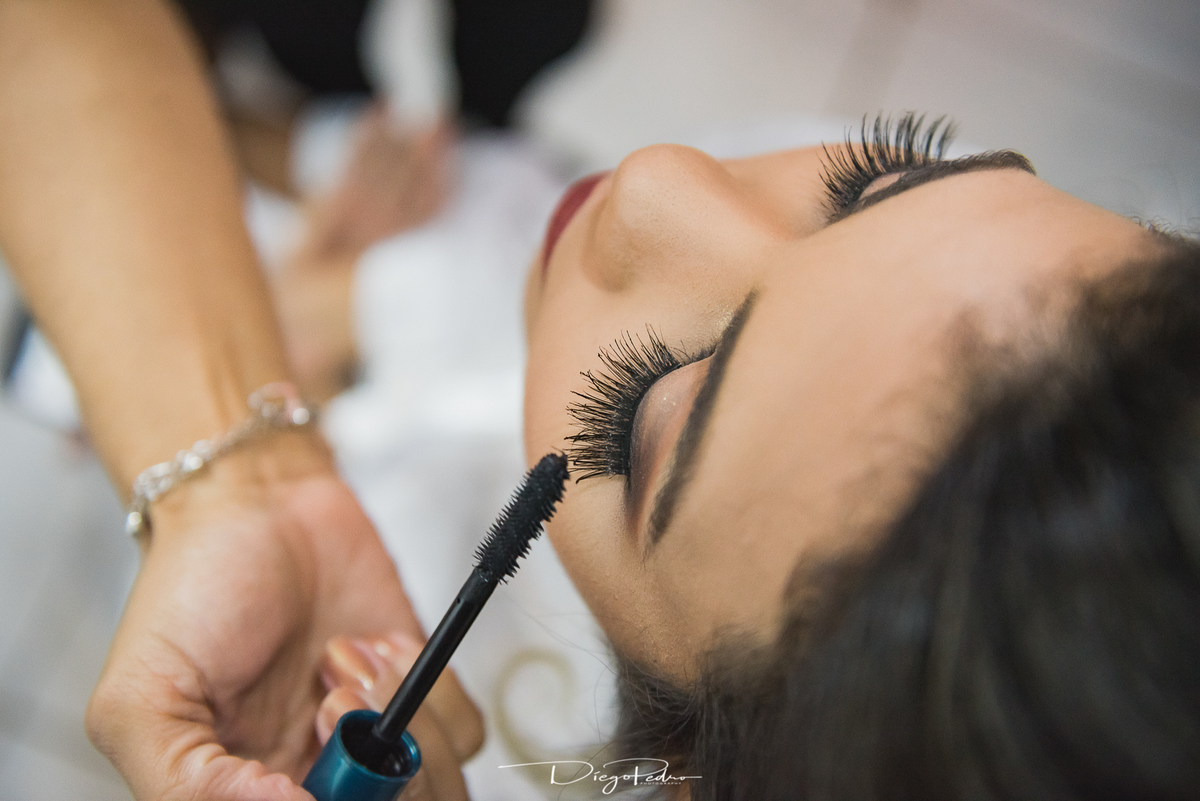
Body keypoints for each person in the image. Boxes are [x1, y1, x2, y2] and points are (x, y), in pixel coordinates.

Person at [1, 3, 1197, 801]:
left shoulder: (375, 649)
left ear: (675, 771)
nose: (651, 179)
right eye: (886, 173)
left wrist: (255, 369)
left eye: (651, 400)